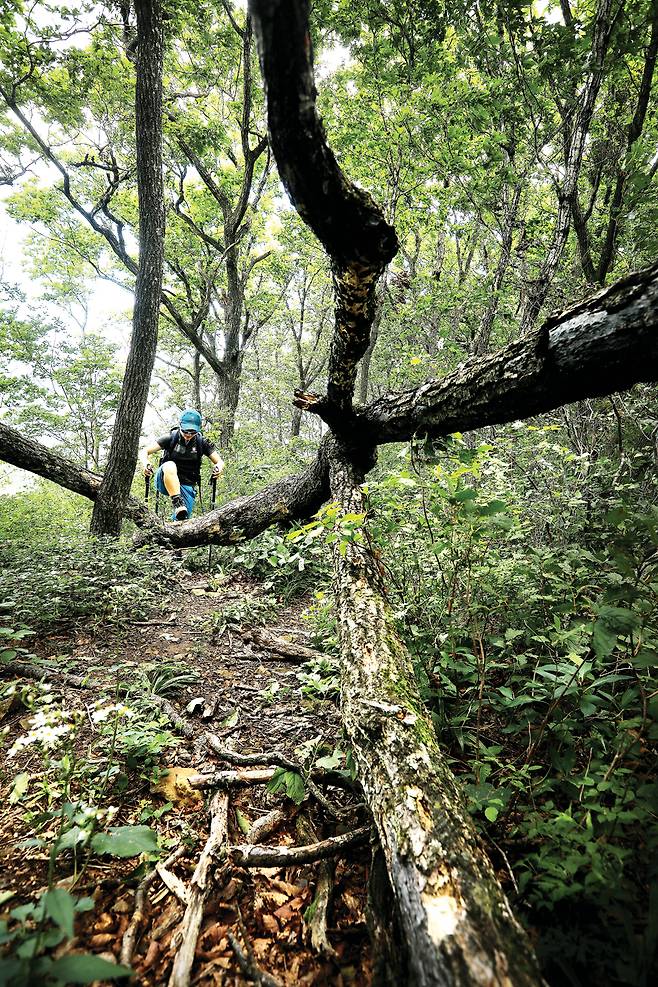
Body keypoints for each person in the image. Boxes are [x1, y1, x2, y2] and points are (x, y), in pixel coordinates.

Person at [142, 409, 223, 521]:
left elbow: (219, 461)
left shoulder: (201, 442)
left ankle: (171, 532)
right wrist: (145, 463)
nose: (188, 435)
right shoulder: (170, 438)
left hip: (186, 484)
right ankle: (177, 502)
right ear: (180, 426)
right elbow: (144, 451)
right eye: (185, 431)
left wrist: (219, 468)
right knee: (170, 465)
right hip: (165, 478)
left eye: (192, 432)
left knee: (183, 519)